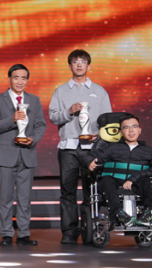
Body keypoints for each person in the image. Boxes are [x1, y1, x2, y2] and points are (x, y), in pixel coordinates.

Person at [48, 49, 113, 244]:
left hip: (91, 148)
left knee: (90, 191)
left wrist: (100, 135)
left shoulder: (99, 91)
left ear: (88, 66)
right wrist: (69, 111)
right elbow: (53, 117)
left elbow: (108, 120)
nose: (78, 65)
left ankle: (89, 229)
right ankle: (69, 232)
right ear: (70, 66)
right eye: (75, 61)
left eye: (82, 61)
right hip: (68, 148)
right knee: (67, 191)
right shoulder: (60, 90)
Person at [0, 63, 46, 246]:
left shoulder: (34, 100)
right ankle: (6, 234)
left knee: (25, 198)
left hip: (27, 154)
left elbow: (40, 125)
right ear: (9, 79)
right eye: (16, 77)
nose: (20, 81)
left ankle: (23, 234)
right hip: (5, 155)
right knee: (5, 197)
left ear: (27, 80)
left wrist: (33, 139)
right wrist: (12, 119)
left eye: (23, 78)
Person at [85, 114, 152, 226]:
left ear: (139, 130)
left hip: (137, 183)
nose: (131, 130)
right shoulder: (111, 147)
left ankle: (149, 212)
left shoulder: (149, 152)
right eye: (126, 127)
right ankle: (118, 213)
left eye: (134, 126)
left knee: (149, 179)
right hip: (115, 182)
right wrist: (90, 162)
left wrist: (133, 179)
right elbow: (90, 157)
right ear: (121, 132)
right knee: (106, 179)